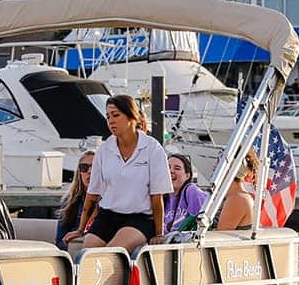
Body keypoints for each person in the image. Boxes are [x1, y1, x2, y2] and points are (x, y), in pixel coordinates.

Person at [80, 94, 173, 254]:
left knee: (112, 253)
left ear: (131, 117)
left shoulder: (152, 148)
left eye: (116, 115)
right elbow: (93, 194)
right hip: (107, 216)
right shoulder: (104, 150)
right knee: (86, 255)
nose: (111, 121)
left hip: (140, 219)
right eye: (108, 117)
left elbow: (157, 197)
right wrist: (80, 229)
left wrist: (159, 234)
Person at [55, 151, 94, 248]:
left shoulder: (109, 201)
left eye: (95, 167)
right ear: (79, 172)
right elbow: (60, 240)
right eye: (84, 167)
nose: (89, 171)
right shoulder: (70, 201)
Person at [163, 153, 208, 234]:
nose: (171, 171)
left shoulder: (191, 191)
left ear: (187, 176)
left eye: (177, 168)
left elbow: (203, 222)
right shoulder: (161, 198)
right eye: (167, 167)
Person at [216, 150, 259, 231]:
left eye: (219, 164)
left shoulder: (237, 199)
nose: (214, 167)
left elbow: (217, 236)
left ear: (229, 170)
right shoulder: (234, 196)